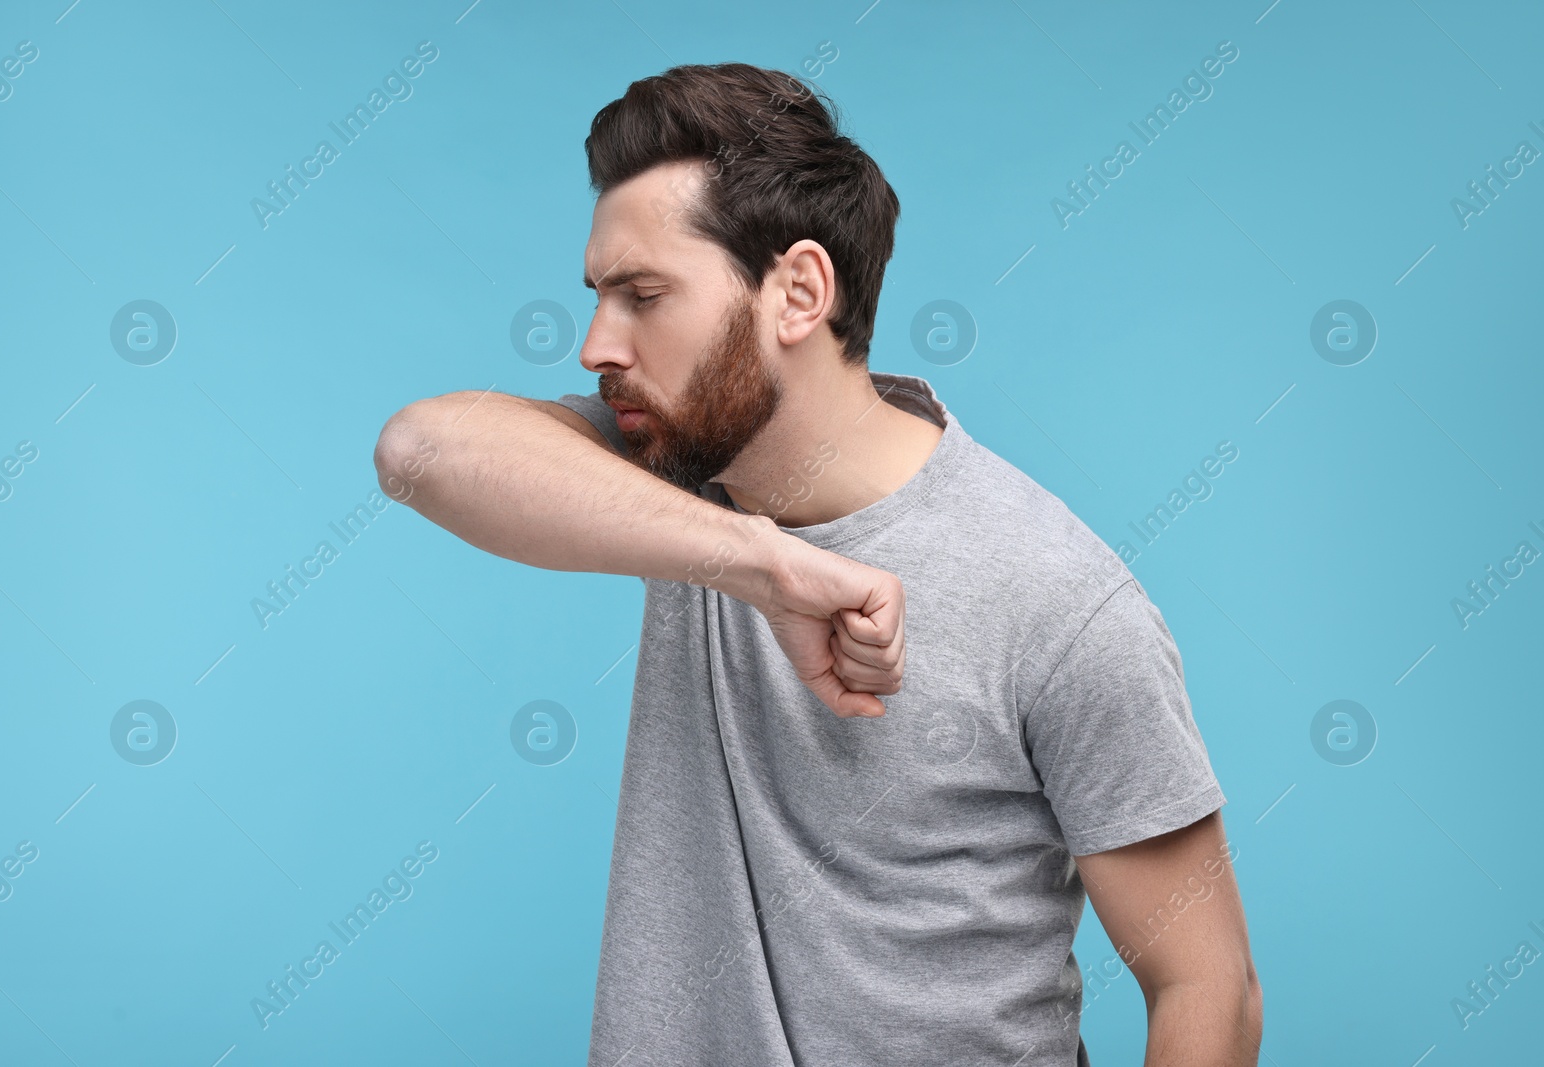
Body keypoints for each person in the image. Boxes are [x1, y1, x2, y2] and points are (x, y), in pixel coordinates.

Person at [375, 62, 1260, 1067]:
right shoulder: (673, 474)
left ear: (798, 290)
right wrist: (765, 563)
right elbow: (420, 451)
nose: (593, 345)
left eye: (643, 295)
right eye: (598, 296)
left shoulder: (1055, 593)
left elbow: (1207, 985)